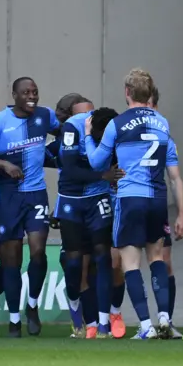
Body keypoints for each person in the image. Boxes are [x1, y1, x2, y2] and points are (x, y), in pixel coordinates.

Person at [85, 68, 183, 339]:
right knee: (156, 258)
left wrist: (86, 136)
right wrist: (182, 213)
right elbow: (175, 174)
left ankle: (145, 326)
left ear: (127, 93)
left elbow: (97, 163)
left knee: (130, 263)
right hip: (157, 198)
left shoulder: (116, 124)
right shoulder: (163, 123)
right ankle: (164, 316)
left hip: (130, 197)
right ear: (150, 93)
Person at [0, 77, 60, 337]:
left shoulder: (45, 116)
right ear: (15, 95)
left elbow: (66, 135)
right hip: (7, 196)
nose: (32, 96)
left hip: (35, 195)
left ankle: (31, 306)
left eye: (35, 91)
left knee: (38, 253)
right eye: (26, 92)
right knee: (12, 261)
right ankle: (13, 321)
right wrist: (4, 165)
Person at [56, 106, 122, 338]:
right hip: (71, 200)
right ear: (91, 126)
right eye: (97, 137)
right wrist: (101, 176)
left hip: (98, 199)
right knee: (74, 262)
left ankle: (103, 324)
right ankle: (75, 304)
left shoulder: (114, 128)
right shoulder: (72, 127)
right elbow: (70, 168)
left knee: (103, 257)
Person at [147, 86, 181, 339]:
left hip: (156, 204)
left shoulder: (164, 136)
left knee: (164, 262)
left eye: (151, 106)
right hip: (127, 203)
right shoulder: (125, 132)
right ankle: (110, 319)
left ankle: (166, 321)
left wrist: (181, 213)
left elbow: (175, 177)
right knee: (121, 262)